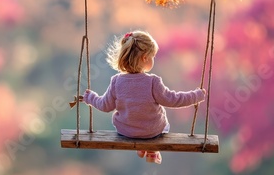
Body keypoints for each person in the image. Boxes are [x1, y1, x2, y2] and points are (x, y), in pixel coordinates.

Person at [81, 30, 205, 164]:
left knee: (137, 125)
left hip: (126, 132)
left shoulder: (116, 81)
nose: (154, 60)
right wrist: (196, 95)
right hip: (152, 132)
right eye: (153, 56)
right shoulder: (153, 82)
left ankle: (141, 147)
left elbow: (104, 106)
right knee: (161, 125)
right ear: (145, 58)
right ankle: (151, 150)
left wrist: (90, 97)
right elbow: (173, 99)